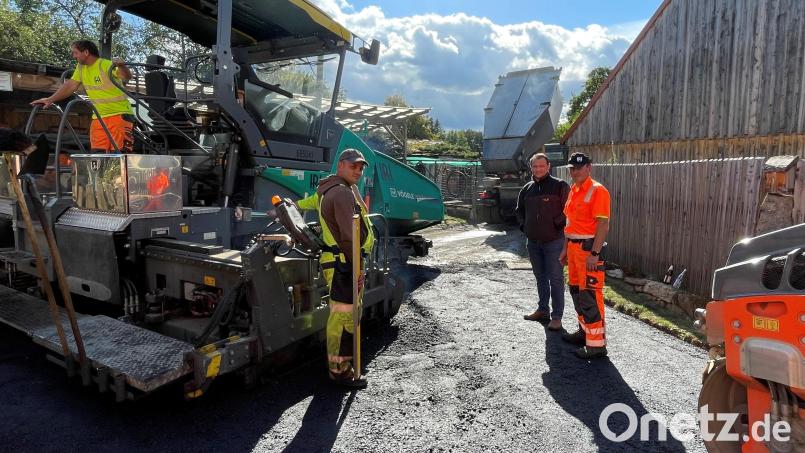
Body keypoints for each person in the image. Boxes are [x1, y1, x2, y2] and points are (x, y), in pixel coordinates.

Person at [297, 149, 375, 389]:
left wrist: (292, 205)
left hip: (341, 261)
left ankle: (344, 364)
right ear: (340, 165)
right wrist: (357, 268)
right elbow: (349, 237)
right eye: (353, 166)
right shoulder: (341, 193)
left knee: (345, 314)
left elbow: (311, 202)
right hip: (345, 262)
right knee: (344, 317)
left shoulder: (330, 189)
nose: (358, 171)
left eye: (361, 168)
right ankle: (340, 370)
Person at [31, 40, 134, 153]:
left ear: (86, 52)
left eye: (75, 52)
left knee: (120, 156)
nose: (73, 56)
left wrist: (122, 66)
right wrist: (50, 99)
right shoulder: (80, 68)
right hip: (98, 118)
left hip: (119, 116)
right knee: (97, 156)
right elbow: (70, 85)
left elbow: (126, 76)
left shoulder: (105, 64)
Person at [560, 152, 611, 359]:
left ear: (589, 168)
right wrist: (565, 249)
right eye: (572, 168)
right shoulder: (574, 190)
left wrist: (595, 253)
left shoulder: (598, 190)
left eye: (579, 167)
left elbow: (603, 225)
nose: (575, 171)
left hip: (588, 251)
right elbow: (569, 224)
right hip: (573, 250)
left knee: (590, 296)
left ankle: (596, 345)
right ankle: (584, 334)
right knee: (577, 293)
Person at [515, 153, 569, 331]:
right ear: (531, 168)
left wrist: (555, 225)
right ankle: (543, 310)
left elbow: (568, 210)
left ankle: (557, 316)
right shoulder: (527, 188)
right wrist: (525, 227)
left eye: (541, 166)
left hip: (554, 241)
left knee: (556, 278)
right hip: (533, 242)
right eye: (535, 166)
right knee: (540, 277)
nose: (538, 169)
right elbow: (519, 211)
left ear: (548, 166)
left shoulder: (560, 186)